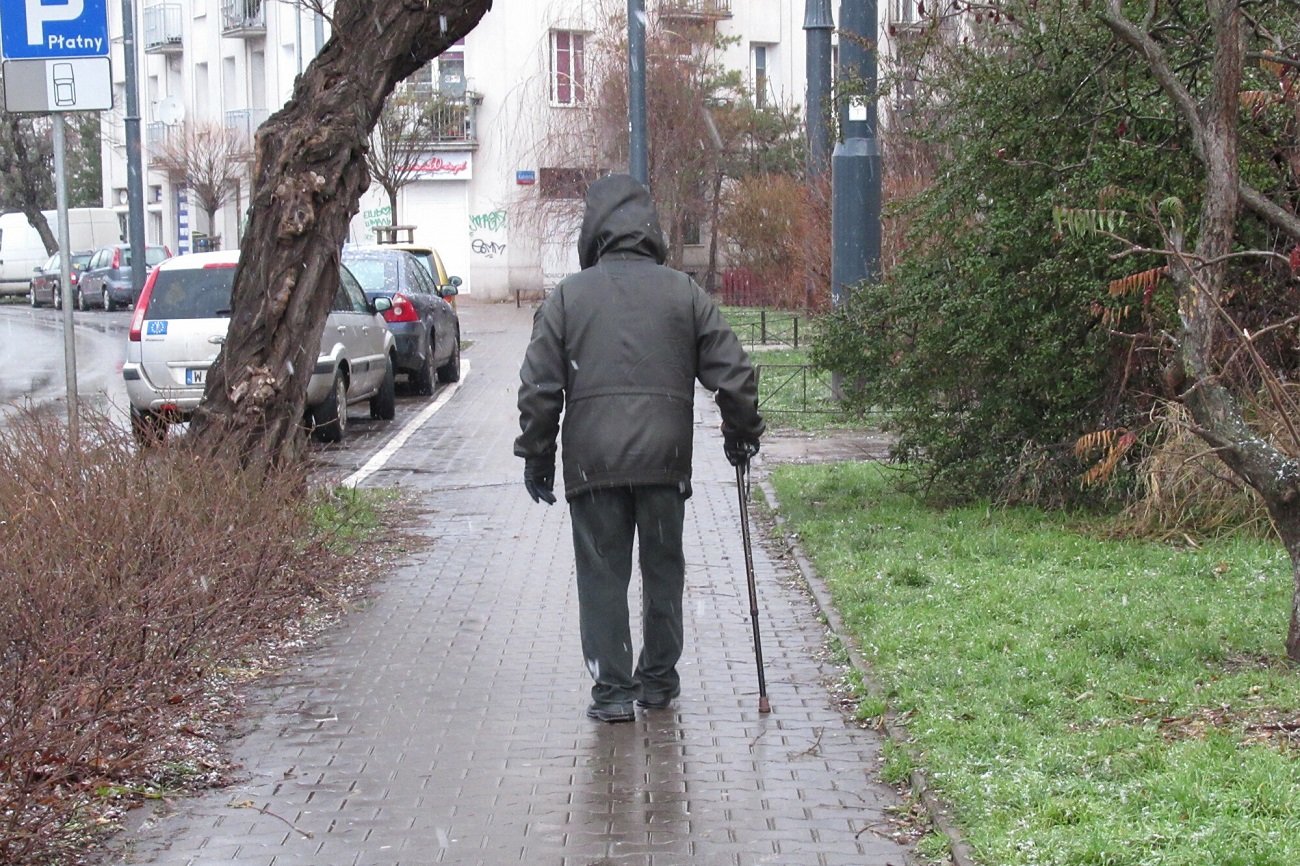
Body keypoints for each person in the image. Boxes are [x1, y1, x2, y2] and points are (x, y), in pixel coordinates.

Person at [515, 173, 764, 723]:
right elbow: (735, 374)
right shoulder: (684, 293)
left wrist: (537, 455)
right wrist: (741, 433)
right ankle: (657, 683)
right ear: (648, 228)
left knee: (603, 575)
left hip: (592, 462)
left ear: (594, 231)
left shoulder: (567, 298)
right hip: (663, 461)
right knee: (662, 570)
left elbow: (538, 387)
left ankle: (611, 693)